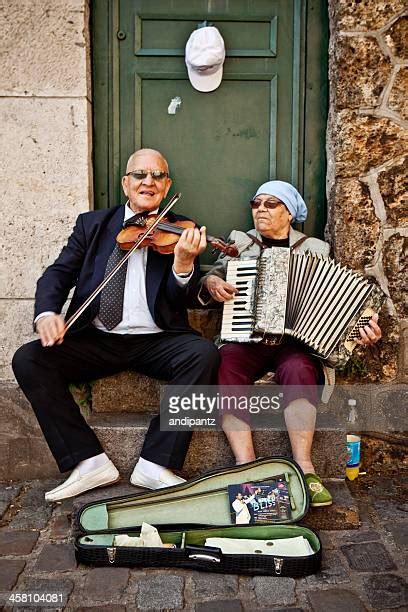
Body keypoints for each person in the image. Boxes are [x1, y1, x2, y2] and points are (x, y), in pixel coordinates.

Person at [12, 148, 220, 502]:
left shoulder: (177, 230)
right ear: (126, 183)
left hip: (158, 338)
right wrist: (47, 313)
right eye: (140, 175)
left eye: (157, 176)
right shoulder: (92, 225)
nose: (148, 182)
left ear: (167, 187)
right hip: (97, 337)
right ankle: (89, 461)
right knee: (28, 359)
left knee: (204, 355)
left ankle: (157, 463)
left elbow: (180, 298)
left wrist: (184, 265)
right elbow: (58, 273)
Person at [199, 180, 382, 507]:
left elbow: (339, 301)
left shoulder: (315, 250)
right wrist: (212, 281)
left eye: (271, 204)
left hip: (294, 343)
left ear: (290, 213)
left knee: (300, 368)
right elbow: (210, 277)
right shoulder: (241, 243)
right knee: (225, 363)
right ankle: (247, 465)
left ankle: (304, 465)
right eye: (256, 204)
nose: (261, 210)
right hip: (247, 337)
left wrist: (362, 326)